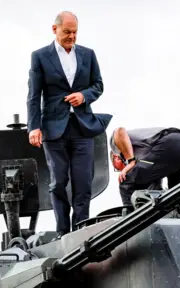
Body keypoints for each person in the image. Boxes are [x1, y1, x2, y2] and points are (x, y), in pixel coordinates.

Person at [26, 11, 112, 241]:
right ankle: (63, 231)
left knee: (83, 181)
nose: (71, 36)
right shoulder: (40, 57)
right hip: (54, 129)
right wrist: (33, 127)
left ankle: (81, 228)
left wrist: (84, 96)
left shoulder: (88, 54)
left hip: (82, 127)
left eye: (74, 32)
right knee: (59, 182)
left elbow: (98, 85)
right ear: (55, 29)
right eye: (67, 32)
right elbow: (34, 96)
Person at [109, 127, 180, 206]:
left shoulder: (118, 147)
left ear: (115, 158)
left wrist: (130, 161)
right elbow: (154, 188)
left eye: (117, 168)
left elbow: (119, 131)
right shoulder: (147, 159)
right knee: (178, 195)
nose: (121, 170)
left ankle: (131, 223)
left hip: (171, 143)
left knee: (127, 180)